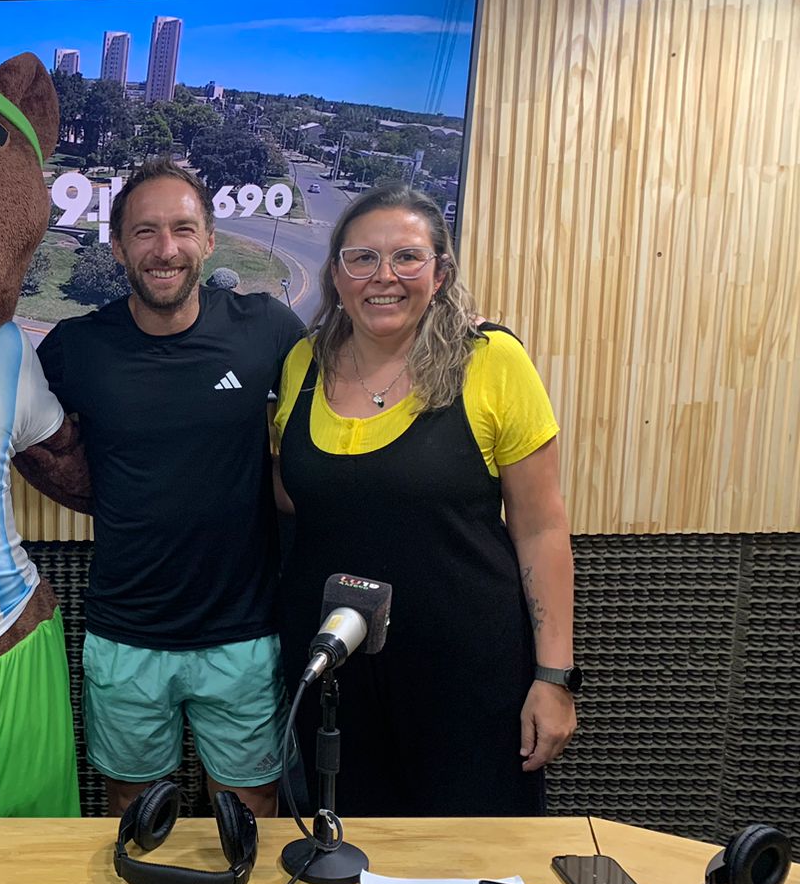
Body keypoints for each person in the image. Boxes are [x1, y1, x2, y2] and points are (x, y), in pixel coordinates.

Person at [273, 185, 577, 817]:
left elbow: (542, 528)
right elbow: (294, 493)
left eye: (407, 257)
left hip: (467, 677)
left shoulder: (492, 363)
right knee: (347, 863)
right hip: (337, 680)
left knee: (470, 869)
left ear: (440, 273)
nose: (384, 277)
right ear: (336, 274)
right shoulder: (303, 363)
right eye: (362, 259)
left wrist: (554, 679)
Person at [37, 157, 304, 818]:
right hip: (126, 633)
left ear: (209, 240)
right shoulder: (76, 347)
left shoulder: (267, 330)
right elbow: (19, 434)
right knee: (135, 817)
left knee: (250, 818)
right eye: (145, 232)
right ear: (119, 244)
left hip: (243, 635)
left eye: (183, 230)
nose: (166, 249)